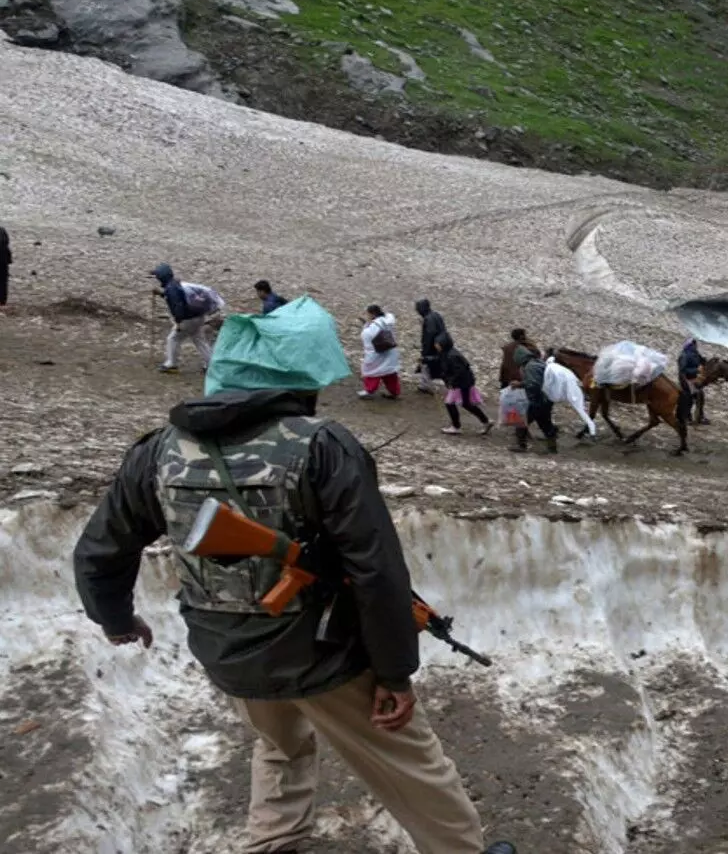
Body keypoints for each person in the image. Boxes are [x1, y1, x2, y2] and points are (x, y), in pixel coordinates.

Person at [70, 318, 517, 854]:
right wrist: (395, 673)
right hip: (324, 653)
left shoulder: (158, 452)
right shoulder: (323, 445)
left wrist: (115, 618)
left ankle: (276, 843)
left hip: (225, 649)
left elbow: (101, 550)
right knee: (411, 762)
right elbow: (376, 569)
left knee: (279, 745)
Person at [152, 263, 221, 373]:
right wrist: (162, 294)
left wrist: (178, 323)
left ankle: (172, 364)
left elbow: (177, 306)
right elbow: (176, 297)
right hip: (198, 317)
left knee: (173, 339)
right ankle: (211, 364)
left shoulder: (171, 288)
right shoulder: (175, 284)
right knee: (199, 340)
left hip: (187, 320)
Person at [435, 333, 493, 436]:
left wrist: (451, 381)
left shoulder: (451, 355)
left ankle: (456, 426)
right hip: (464, 382)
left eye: (437, 343)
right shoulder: (449, 353)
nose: (436, 345)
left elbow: (459, 371)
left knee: (450, 403)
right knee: (466, 404)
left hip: (461, 383)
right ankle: (486, 421)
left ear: (443, 344)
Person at [510, 346, 557, 454]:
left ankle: (521, 446)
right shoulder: (538, 363)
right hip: (546, 399)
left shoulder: (530, 367)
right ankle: (552, 448)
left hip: (537, 400)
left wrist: (519, 384)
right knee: (545, 424)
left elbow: (533, 384)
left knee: (521, 422)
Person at [358, 305, 401, 399]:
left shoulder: (372, 326)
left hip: (377, 354)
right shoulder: (388, 321)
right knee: (390, 373)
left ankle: (369, 390)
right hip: (390, 352)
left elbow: (367, 336)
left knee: (372, 372)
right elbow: (390, 316)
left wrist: (365, 325)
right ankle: (394, 392)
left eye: (367, 314)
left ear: (372, 314)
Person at [414, 300, 448, 395]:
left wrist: (425, 350)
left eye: (418, 309)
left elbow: (429, 336)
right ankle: (424, 385)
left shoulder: (428, 319)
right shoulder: (436, 315)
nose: (417, 311)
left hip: (432, 346)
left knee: (427, 362)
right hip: (441, 343)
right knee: (431, 364)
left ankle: (425, 385)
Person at [676, 338, 708, 427]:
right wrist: (696, 370)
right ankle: (687, 418)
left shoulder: (696, 354)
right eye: (694, 344)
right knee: (688, 400)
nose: (695, 346)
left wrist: (705, 362)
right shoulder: (684, 355)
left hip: (695, 380)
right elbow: (682, 370)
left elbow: (702, 361)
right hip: (686, 380)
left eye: (695, 344)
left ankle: (699, 416)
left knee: (700, 397)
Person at [0, 225, 11, 307]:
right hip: (4, 260)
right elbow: (6, 242)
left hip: (3, 259)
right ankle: (2, 301)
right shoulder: (2, 230)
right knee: (3, 282)